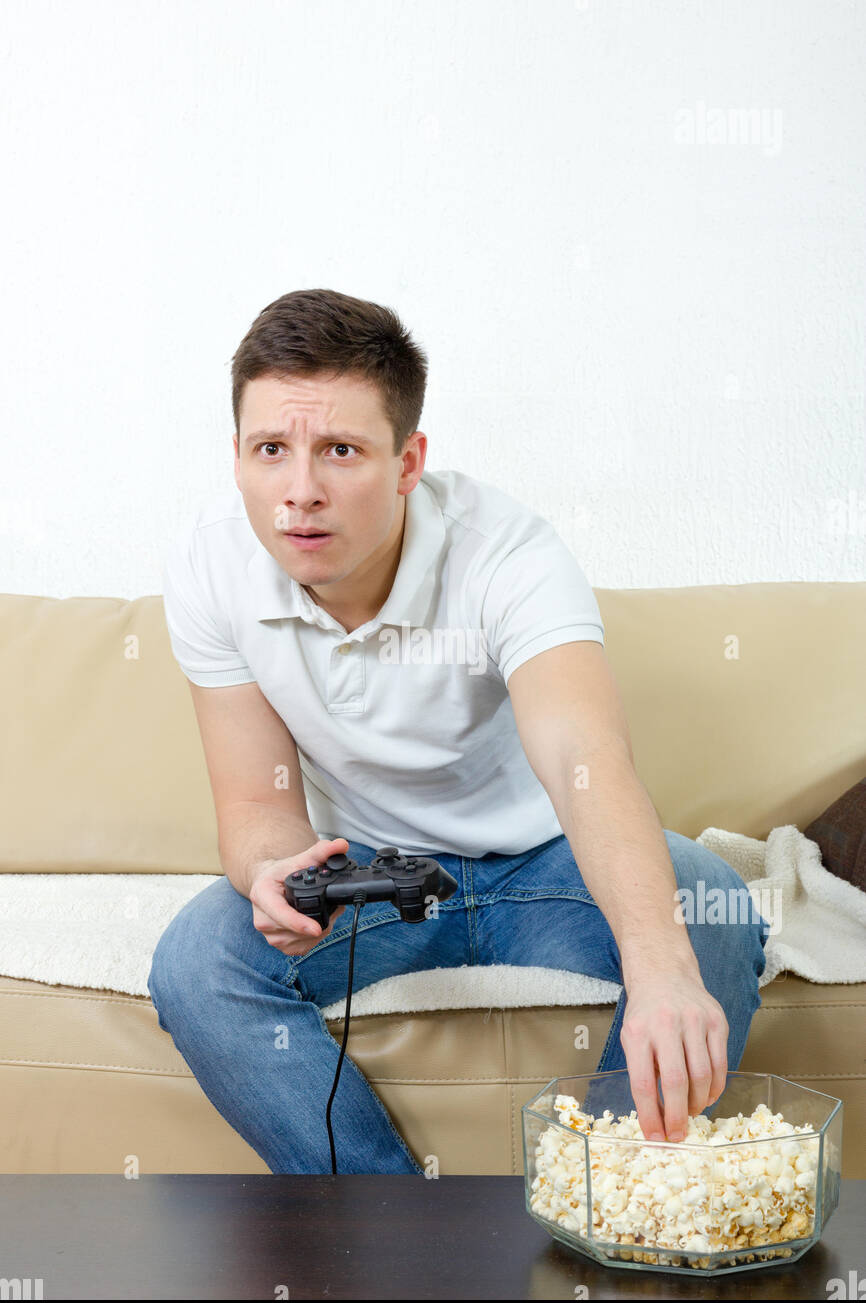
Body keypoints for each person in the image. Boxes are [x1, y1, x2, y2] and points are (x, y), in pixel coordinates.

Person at [148, 287, 770, 1174]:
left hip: (546, 867)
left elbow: (582, 756)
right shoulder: (211, 563)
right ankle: (396, 1243)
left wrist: (663, 968)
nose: (300, 493)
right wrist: (272, 871)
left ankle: (596, 1207)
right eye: (271, 451)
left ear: (408, 462)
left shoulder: (509, 554)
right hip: (371, 877)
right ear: (237, 455)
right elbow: (256, 800)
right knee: (196, 963)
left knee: (710, 907)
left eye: (341, 452)